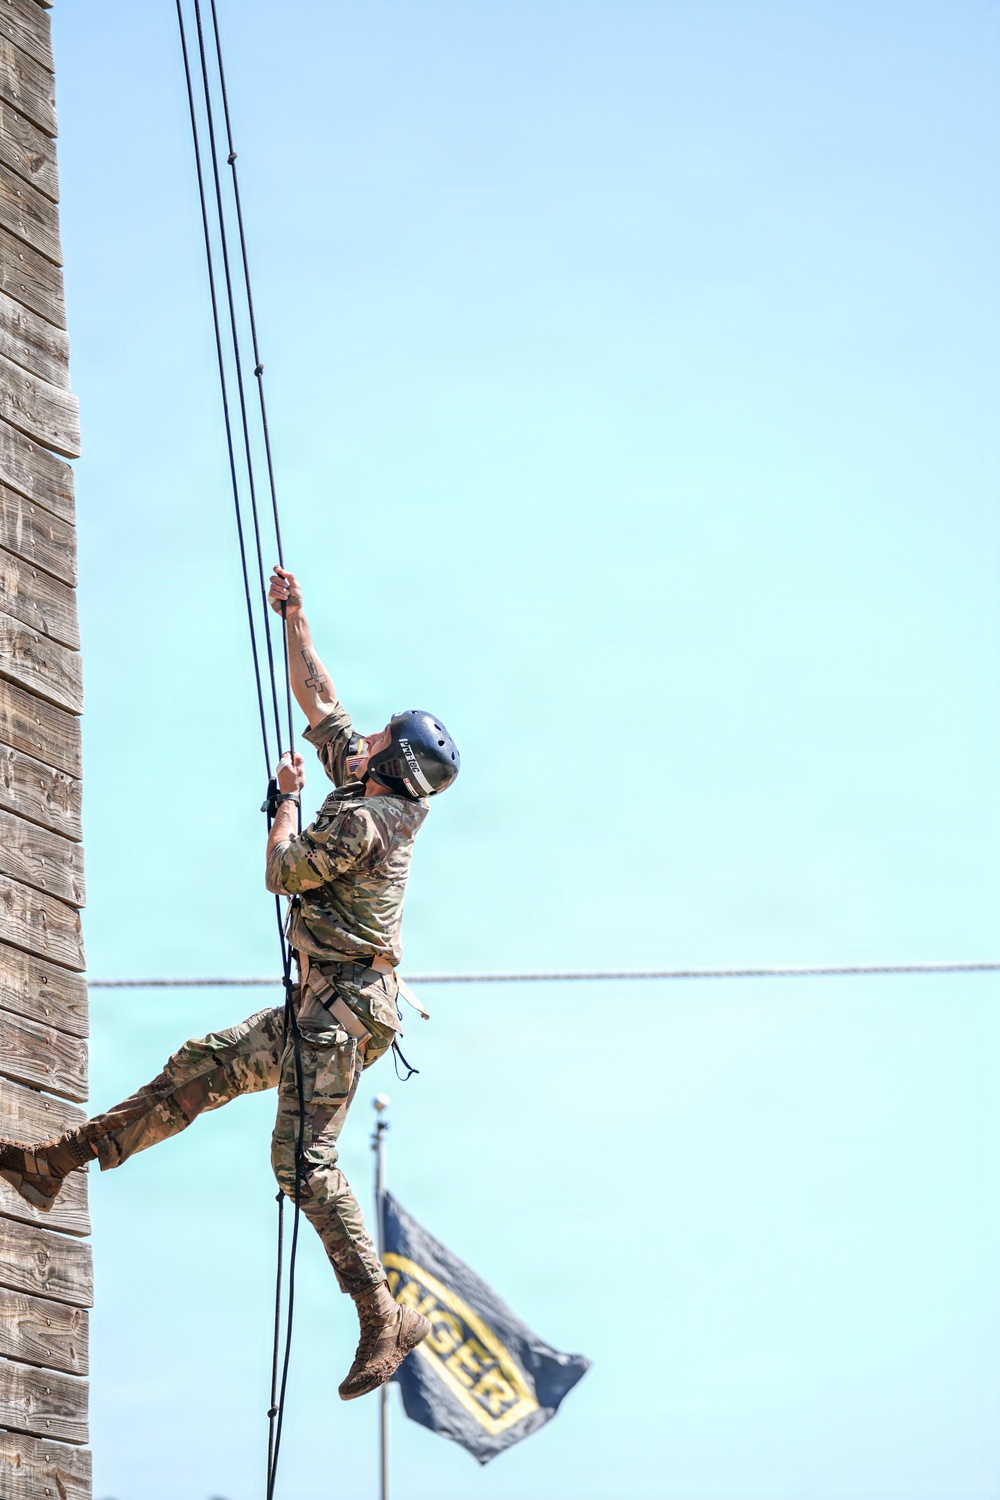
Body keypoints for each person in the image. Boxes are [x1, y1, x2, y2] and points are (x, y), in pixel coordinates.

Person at [0, 566, 460, 1400]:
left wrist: (281, 799)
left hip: (343, 1015)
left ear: (396, 763)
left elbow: (284, 870)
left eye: (385, 736)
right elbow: (322, 702)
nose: (370, 736)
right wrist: (296, 613)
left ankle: (384, 1315)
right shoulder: (371, 780)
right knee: (199, 1067)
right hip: (325, 1006)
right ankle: (58, 1162)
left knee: (304, 1166)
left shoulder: (366, 820)